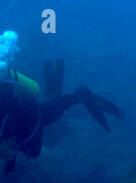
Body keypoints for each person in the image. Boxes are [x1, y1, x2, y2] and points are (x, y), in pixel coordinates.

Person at [0, 31, 123, 174]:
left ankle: (82, 94)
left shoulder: (14, 115)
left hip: (34, 115)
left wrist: (12, 156)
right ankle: (55, 70)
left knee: (34, 149)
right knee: (52, 99)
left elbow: (17, 130)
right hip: (25, 112)